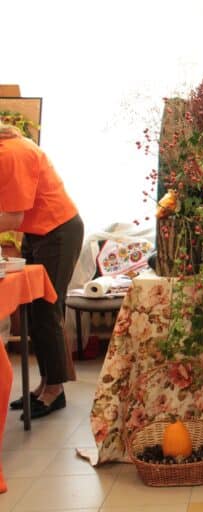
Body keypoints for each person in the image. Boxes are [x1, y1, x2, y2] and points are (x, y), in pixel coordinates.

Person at [0, 123, 84, 421]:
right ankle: (44, 384)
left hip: (58, 230)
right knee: (33, 309)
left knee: (47, 307)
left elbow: (12, 216)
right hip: (38, 232)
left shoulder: (11, 153)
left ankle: (55, 390)